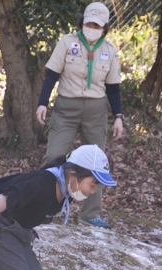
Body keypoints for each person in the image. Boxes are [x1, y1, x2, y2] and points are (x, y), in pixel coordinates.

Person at [36, 2, 123, 229]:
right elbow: (51, 75)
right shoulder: (67, 43)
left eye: (97, 24)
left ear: (105, 27)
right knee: (54, 155)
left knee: (97, 164)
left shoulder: (110, 51)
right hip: (66, 108)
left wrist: (119, 116)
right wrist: (42, 103)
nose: (92, 27)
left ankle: (90, 213)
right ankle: (44, 206)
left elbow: (113, 87)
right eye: (89, 23)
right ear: (82, 22)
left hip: (96, 111)